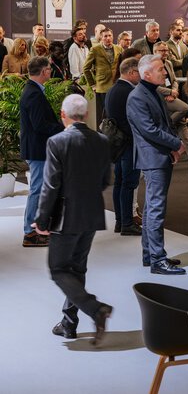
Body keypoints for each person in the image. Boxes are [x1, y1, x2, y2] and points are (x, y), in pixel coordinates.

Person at [32, 94, 114, 344]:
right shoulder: (101, 140)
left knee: (58, 269)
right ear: (86, 115)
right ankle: (69, 323)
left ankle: (95, 308)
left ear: (63, 115)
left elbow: (50, 185)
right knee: (77, 269)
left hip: (65, 217)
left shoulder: (57, 142)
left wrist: (41, 220)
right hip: (91, 213)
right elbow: (105, 181)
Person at [127, 54, 186, 275]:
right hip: (152, 158)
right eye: (160, 69)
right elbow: (149, 129)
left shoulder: (150, 92)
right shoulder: (137, 97)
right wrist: (176, 143)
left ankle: (150, 254)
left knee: (153, 208)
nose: (165, 72)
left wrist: (171, 146)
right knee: (155, 209)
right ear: (147, 73)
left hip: (158, 155)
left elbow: (163, 124)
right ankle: (157, 259)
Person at [20, 57, 64, 248]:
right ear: (44, 72)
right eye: (48, 69)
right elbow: (40, 125)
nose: (50, 72)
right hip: (38, 150)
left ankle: (36, 229)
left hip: (38, 148)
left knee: (40, 190)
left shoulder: (33, 91)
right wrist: (63, 128)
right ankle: (30, 233)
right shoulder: (33, 94)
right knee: (37, 190)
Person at [104, 57, 142, 236]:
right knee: (128, 183)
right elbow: (131, 121)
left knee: (120, 183)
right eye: (139, 72)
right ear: (131, 72)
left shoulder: (113, 90)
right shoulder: (128, 91)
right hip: (128, 144)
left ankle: (121, 221)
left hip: (117, 144)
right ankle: (127, 223)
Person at [83, 28, 123, 123]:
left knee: (116, 112)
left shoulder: (119, 48)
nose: (108, 38)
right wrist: (92, 85)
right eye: (105, 36)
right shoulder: (95, 49)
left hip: (116, 85)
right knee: (104, 114)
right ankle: (103, 134)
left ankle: (116, 134)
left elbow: (122, 65)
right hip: (102, 86)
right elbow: (86, 68)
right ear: (101, 37)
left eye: (110, 36)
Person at [154, 42, 188, 127]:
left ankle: (185, 140)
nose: (165, 53)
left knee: (181, 123)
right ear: (155, 51)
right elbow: (153, 86)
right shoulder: (151, 65)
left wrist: (173, 92)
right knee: (185, 108)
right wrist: (169, 92)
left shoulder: (168, 63)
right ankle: (166, 125)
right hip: (160, 96)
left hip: (172, 95)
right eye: (162, 50)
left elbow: (174, 80)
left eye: (167, 50)